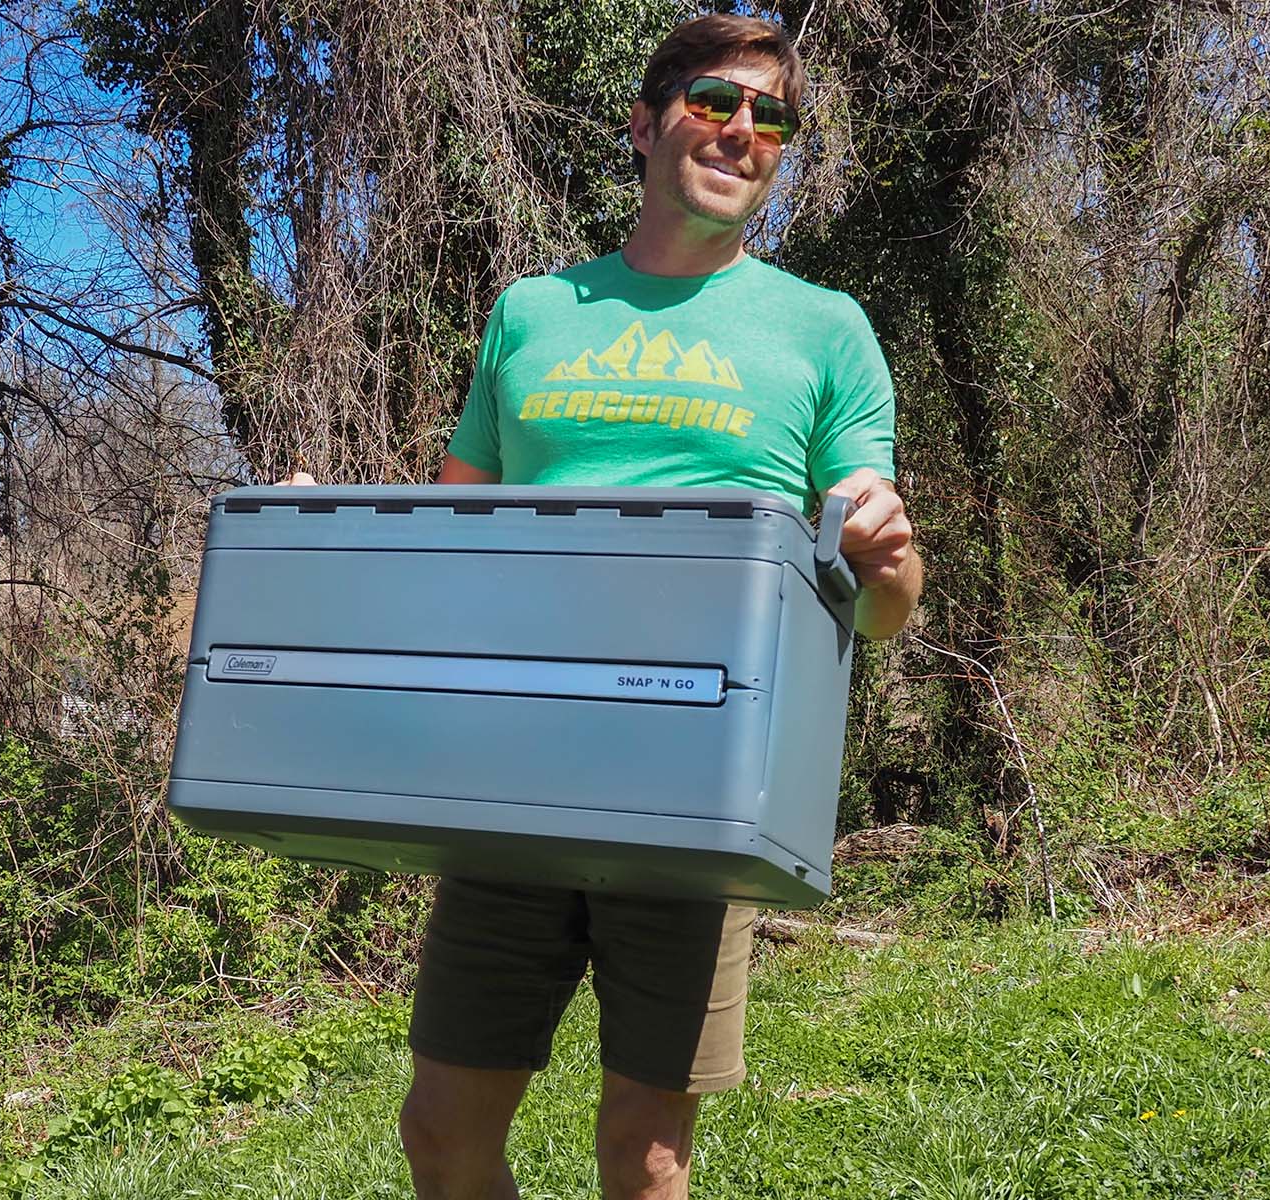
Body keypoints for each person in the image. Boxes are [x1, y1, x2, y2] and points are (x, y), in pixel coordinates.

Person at [288, 15, 921, 1198]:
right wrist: (318, 542)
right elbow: (451, 540)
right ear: (643, 124)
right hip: (508, 778)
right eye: (714, 102)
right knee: (441, 1131)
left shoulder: (824, 330)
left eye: (771, 118)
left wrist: (886, 561)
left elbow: (880, 608)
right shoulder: (533, 313)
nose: (742, 131)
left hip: (700, 795)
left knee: (646, 1153)